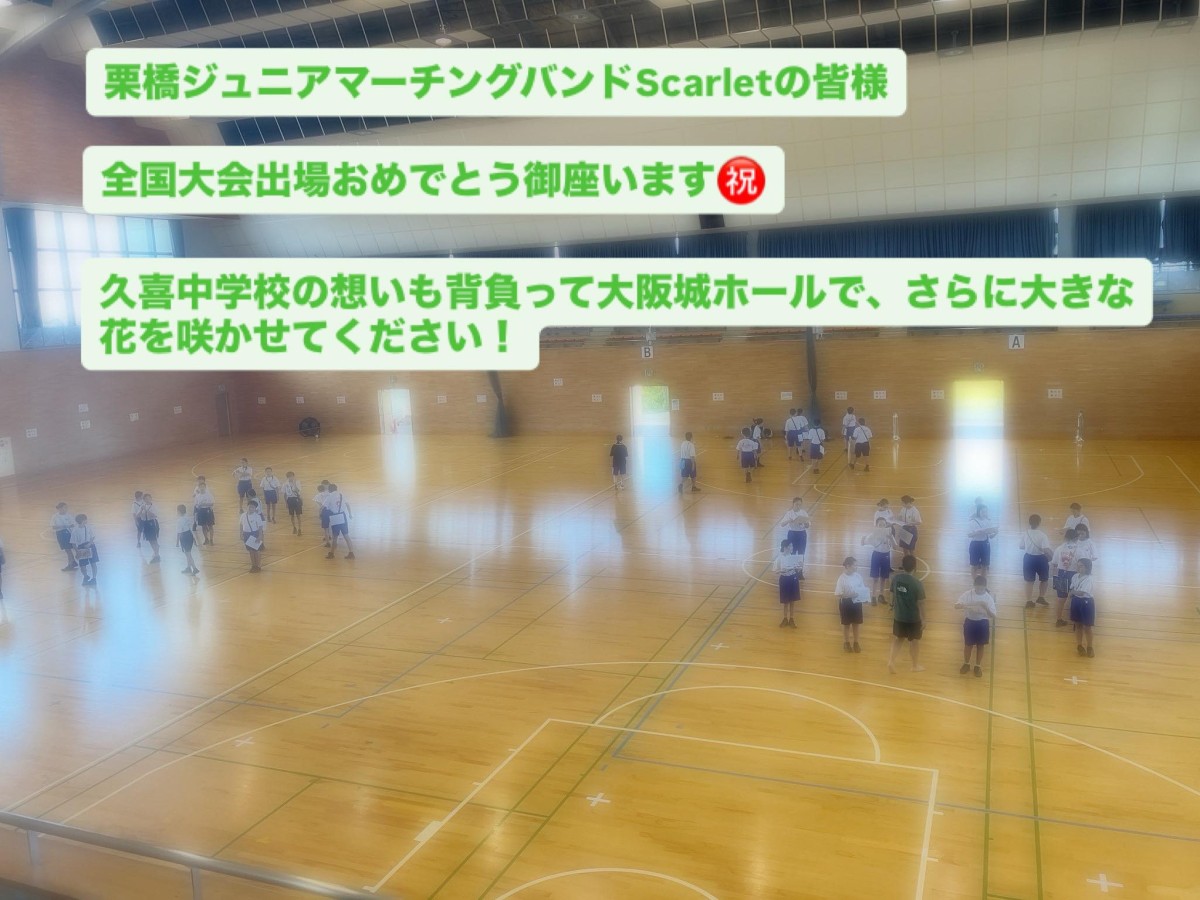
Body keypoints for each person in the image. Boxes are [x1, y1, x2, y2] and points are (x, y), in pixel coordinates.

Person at [888, 555, 926, 674]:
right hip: (913, 618)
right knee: (914, 641)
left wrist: (891, 605)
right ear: (915, 567)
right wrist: (924, 619)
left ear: (902, 566)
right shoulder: (917, 583)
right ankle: (914, 665)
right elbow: (921, 603)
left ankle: (891, 661)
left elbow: (891, 593)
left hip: (899, 616)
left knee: (898, 639)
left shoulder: (896, 578)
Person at [955, 575, 998, 678]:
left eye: (982, 588)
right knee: (968, 645)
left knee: (980, 645)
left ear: (985, 587)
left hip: (982, 623)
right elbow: (956, 605)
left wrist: (986, 608)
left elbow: (993, 615)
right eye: (977, 588)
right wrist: (966, 606)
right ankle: (966, 663)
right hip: (970, 622)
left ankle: (978, 666)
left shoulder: (988, 598)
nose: (979, 590)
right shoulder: (968, 594)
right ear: (974, 585)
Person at [834, 556, 869, 653]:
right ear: (848, 566)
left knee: (856, 624)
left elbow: (862, 589)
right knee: (846, 624)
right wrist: (850, 595)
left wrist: (865, 598)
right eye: (855, 565)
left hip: (857, 603)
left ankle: (856, 643)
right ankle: (846, 643)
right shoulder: (841, 578)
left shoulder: (858, 576)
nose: (856, 567)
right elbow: (838, 594)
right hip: (846, 603)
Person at [1020, 514, 1053, 609]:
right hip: (1041, 559)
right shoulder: (1042, 535)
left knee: (1029, 581)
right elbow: (1046, 549)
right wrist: (1053, 555)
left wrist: (1029, 547)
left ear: (1029, 522)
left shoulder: (1025, 533)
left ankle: (1029, 601)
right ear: (1039, 523)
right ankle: (1041, 597)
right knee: (1044, 579)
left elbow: (1021, 546)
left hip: (1028, 558)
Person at [862, 515, 896, 605]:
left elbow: (895, 547)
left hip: (886, 555)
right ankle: (873, 596)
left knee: (883, 577)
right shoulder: (873, 535)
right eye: (880, 525)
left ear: (886, 525)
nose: (882, 526)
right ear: (876, 526)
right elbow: (863, 542)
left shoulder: (889, 534)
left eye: (883, 524)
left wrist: (891, 538)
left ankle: (881, 595)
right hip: (876, 555)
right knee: (875, 577)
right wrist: (863, 539)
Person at [1050, 527, 1080, 628]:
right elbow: (1084, 564)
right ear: (1076, 538)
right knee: (1076, 598)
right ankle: (1076, 621)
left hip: (1061, 573)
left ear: (1065, 537)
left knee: (1061, 599)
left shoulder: (1059, 548)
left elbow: (1054, 563)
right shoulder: (1079, 549)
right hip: (1075, 575)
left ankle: (1058, 619)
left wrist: (1055, 576)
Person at [1069, 558, 1097, 658]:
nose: (1078, 568)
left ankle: (1090, 647)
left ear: (1087, 567)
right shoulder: (1075, 576)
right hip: (1076, 601)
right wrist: (1072, 592)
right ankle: (1079, 645)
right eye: (1078, 565)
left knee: (1087, 627)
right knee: (1078, 625)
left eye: (1081, 566)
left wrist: (1072, 592)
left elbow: (1081, 592)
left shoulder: (1089, 579)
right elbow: (1072, 587)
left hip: (1086, 603)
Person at [773, 540, 802, 628]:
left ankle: (791, 618)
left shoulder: (793, 558)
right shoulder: (779, 558)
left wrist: (799, 567)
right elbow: (775, 571)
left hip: (793, 578)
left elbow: (798, 570)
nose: (792, 548)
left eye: (792, 546)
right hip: (784, 579)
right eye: (790, 546)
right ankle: (785, 618)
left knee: (792, 600)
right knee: (785, 601)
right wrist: (782, 570)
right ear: (785, 547)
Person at [779, 497, 810, 579]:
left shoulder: (804, 513)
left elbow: (808, 525)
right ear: (793, 504)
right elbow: (782, 524)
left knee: (801, 553)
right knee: (792, 553)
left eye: (800, 505)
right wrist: (789, 520)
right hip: (792, 533)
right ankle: (792, 571)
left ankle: (800, 572)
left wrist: (805, 523)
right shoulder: (789, 513)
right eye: (797, 504)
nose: (798, 506)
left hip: (802, 534)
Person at [323, 483, 356, 560]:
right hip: (342, 515)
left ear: (330, 489)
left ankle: (332, 553)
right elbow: (347, 504)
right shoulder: (341, 495)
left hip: (335, 516)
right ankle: (351, 553)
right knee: (346, 535)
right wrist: (350, 514)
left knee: (335, 537)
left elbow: (323, 507)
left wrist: (320, 514)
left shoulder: (329, 496)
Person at [968, 504, 999, 578]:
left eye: (986, 511)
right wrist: (979, 532)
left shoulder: (988, 521)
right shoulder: (973, 522)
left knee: (985, 565)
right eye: (982, 511)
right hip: (975, 545)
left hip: (985, 544)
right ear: (978, 511)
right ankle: (975, 583)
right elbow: (969, 535)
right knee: (974, 566)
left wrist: (995, 533)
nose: (984, 513)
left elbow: (990, 537)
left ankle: (983, 583)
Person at [70, 513, 99, 586]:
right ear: (83, 520)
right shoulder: (75, 530)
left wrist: (89, 543)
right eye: (85, 519)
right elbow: (73, 543)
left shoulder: (88, 527)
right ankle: (85, 576)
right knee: (82, 565)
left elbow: (92, 537)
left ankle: (94, 578)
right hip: (81, 547)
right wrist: (77, 552)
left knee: (93, 563)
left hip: (90, 546)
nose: (86, 520)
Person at [240, 499, 265, 573]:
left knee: (256, 551)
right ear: (247, 507)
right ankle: (253, 565)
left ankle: (258, 566)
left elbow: (260, 527)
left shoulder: (257, 516)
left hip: (255, 534)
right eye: (250, 507)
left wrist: (260, 536)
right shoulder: (243, 515)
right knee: (250, 551)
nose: (251, 508)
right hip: (246, 534)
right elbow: (241, 524)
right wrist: (241, 533)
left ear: (255, 509)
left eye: (253, 507)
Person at [175, 504, 199, 575]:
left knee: (188, 554)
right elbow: (190, 529)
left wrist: (177, 542)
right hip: (189, 535)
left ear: (179, 511)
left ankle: (194, 568)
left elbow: (179, 532)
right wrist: (194, 539)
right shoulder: (188, 518)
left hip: (184, 537)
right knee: (188, 553)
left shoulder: (179, 520)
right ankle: (188, 567)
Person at [52, 502, 76, 571]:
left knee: (68, 549)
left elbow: (73, 525)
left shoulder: (69, 516)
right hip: (60, 534)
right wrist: (64, 526)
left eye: (66, 507)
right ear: (60, 508)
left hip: (67, 533)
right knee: (66, 549)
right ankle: (73, 562)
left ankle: (70, 564)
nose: (66, 509)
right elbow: (53, 527)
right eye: (65, 507)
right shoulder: (55, 516)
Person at [139, 493, 162, 564]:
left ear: (151, 498)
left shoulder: (153, 506)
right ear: (144, 500)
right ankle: (156, 553)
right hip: (146, 524)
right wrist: (141, 510)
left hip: (152, 524)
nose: (147, 500)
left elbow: (154, 515)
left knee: (154, 540)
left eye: (149, 498)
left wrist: (146, 510)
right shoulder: (142, 506)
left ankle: (157, 556)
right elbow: (138, 515)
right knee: (150, 540)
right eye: (146, 499)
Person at [193, 476, 216, 545]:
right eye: (200, 487)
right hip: (201, 511)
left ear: (205, 487)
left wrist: (204, 504)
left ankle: (211, 539)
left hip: (208, 510)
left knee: (210, 525)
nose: (202, 488)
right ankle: (206, 539)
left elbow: (212, 503)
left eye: (203, 487)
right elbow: (196, 505)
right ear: (199, 488)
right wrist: (199, 506)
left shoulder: (209, 495)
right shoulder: (197, 496)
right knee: (203, 526)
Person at [314, 482, 331, 547]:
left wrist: (320, 513)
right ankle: (330, 536)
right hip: (331, 511)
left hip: (324, 511)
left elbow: (321, 506)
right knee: (331, 525)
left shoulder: (318, 495)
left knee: (325, 527)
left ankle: (327, 542)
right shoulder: (330, 493)